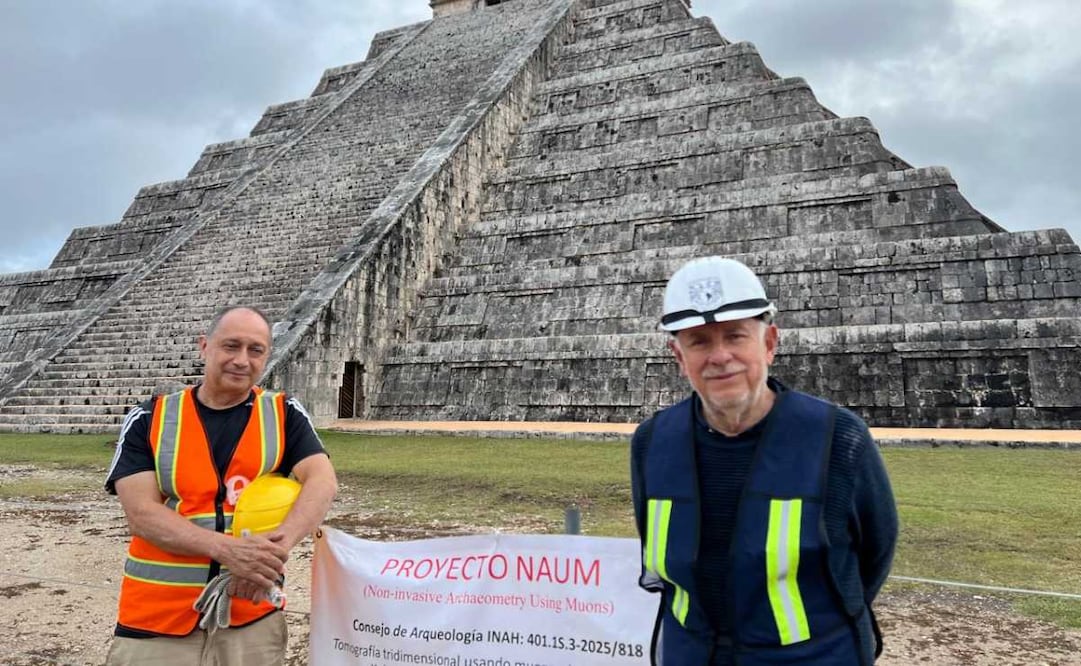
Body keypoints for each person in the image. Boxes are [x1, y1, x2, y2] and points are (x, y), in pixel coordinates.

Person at [630, 256, 898, 665]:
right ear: (679, 357)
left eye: (735, 336)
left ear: (769, 343)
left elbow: (873, 556)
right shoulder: (652, 443)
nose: (720, 356)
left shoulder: (837, 439)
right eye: (699, 341)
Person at [104, 305, 338, 665]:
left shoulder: (283, 413)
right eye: (231, 346)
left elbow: (322, 481)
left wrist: (268, 557)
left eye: (255, 350)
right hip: (156, 618)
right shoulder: (151, 417)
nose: (242, 360)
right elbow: (141, 514)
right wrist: (229, 552)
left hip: (251, 613)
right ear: (204, 346)